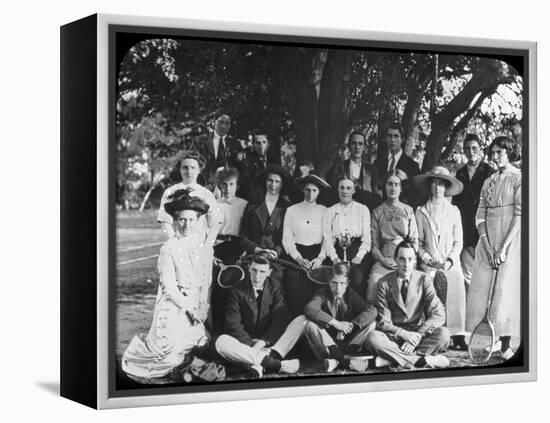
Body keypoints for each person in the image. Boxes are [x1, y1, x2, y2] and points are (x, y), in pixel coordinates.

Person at [122, 189, 214, 381]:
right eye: (182, 219)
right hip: (175, 304)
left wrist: (203, 306)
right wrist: (190, 309)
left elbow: (205, 282)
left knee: (204, 344)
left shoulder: (204, 248)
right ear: (174, 221)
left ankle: (190, 360)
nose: (186, 224)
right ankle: (178, 362)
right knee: (168, 356)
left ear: (198, 221)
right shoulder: (169, 248)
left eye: (191, 220)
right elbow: (169, 287)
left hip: (196, 304)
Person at [466, 136, 521, 360]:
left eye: (501, 152)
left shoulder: (519, 179)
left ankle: (506, 343)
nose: (496, 156)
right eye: (494, 152)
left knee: (506, 290)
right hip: (488, 242)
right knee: (482, 290)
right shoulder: (488, 181)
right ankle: (489, 341)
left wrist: (504, 247)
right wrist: (487, 246)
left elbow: (519, 215)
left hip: (511, 241)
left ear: (510, 153)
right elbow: (480, 216)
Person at [215, 254, 306, 378]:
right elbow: (233, 324)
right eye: (254, 270)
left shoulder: (275, 286)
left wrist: (262, 342)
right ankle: (275, 364)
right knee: (221, 341)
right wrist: (251, 344)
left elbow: (280, 320)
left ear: (269, 272)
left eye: (262, 272)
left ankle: (257, 363)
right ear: (248, 268)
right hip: (246, 343)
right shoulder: (237, 289)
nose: (257, 277)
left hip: (270, 344)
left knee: (302, 320)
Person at [366, 240, 451, 369]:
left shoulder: (424, 279)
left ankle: (393, 359)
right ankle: (420, 360)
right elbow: (383, 322)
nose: (406, 264)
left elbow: (438, 314)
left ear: (415, 260)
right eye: (402, 259)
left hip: (417, 335)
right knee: (373, 338)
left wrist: (418, 336)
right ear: (395, 259)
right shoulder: (384, 283)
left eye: (410, 259)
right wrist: (404, 334)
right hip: (394, 337)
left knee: (444, 334)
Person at [412, 166, 467, 350]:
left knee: (456, 282)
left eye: (442, 184)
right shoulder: (421, 211)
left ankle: (457, 335)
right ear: (430, 186)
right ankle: (431, 332)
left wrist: (449, 260)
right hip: (429, 263)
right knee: (425, 285)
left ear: (446, 187)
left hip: (449, 262)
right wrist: (427, 259)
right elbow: (417, 242)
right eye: (434, 183)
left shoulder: (454, 211)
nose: (438, 188)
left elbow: (458, 242)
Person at [304, 262, 378, 372]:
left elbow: (372, 310)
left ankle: (337, 361)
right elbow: (309, 308)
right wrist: (336, 324)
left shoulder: (351, 294)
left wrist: (351, 326)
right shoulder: (322, 293)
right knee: (309, 325)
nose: (338, 288)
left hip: (348, 343)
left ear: (347, 283)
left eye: (342, 283)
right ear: (329, 282)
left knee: (372, 323)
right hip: (328, 345)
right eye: (334, 283)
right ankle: (345, 361)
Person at [366, 169, 418, 303]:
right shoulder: (377, 212)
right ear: (384, 186)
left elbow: (414, 242)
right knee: (374, 282)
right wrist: (383, 260)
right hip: (384, 260)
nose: (393, 188)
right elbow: (374, 245)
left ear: (401, 188)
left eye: (397, 184)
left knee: (409, 286)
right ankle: (375, 320)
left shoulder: (408, 211)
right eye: (389, 184)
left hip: (406, 258)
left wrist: (404, 259)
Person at [282, 174, 330, 316]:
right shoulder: (292, 210)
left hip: (317, 258)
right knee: (294, 289)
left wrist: (320, 259)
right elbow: (287, 239)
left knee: (316, 295)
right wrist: (298, 259)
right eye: (307, 190)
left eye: (314, 190)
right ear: (303, 190)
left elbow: (328, 239)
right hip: (297, 258)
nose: (310, 194)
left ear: (319, 192)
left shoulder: (324, 211)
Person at [452, 134, 495, 287]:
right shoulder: (460, 173)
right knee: (467, 275)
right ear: (464, 150)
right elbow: (456, 204)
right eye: (468, 148)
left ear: (481, 148)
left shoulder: (490, 172)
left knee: (484, 276)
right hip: (466, 228)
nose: (471, 152)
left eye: (474, 148)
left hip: (483, 228)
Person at [211, 167, 248, 334]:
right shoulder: (212, 205)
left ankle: (235, 332)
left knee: (235, 290)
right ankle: (218, 333)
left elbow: (247, 231)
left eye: (231, 184)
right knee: (218, 292)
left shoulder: (243, 204)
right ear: (219, 185)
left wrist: (244, 251)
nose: (227, 188)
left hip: (237, 249)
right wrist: (209, 253)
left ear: (237, 185)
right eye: (224, 185)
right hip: (217, 249)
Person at [157, 150, 223, 243]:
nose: (189, 171)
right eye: (185, 167)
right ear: (180, 169)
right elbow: (166, 223)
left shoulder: (207, 194)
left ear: (199, 170)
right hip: (177, 246)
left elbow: (214, 224)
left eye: (193, 167)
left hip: (199, 246)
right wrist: (175, 244)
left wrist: (207, 245)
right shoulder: (169, 193)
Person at [322, 178, 371, 296]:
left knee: (357, 281)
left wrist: (359, 256)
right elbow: (327, 238)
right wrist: (334, 258)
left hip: (357, 251)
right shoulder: (330, 210)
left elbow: (367, 237)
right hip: (336, 251)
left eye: (348, 188)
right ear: (338, 190)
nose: (345, 191)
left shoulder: (362, 209)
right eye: (342, 188)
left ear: (354, 191)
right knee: (335, 283)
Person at [240, 164, 291, 261]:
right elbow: (243, 236)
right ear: (265, 181)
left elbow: (289, 239)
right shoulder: (253, 205)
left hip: (276, 261)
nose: (273, 185)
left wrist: (276, 252)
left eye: (277, 181)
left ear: (282, 184)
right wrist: (256, 249)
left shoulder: (287, 208)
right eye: (270, 180)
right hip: (253, 257)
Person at [327, 131, 382, 211]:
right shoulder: (340, 167)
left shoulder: (371, 169)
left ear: (364, 147)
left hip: (365, 212)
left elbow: (377, 195)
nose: (357, 147)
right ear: (349, 146)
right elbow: (332, 191)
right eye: (354, 143)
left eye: (360, 144)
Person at [192, 112, 243, 187]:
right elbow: (192, 164)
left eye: (227, 123)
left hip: (227, 188)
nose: (223, 126)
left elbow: (239, 169)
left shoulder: (236, 145)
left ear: (230, 126)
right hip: (204, 187)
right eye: (220, 122)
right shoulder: (200, 141)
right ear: (213, 123)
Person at [374, 123, 420, 205]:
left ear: (402, 139)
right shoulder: (378, 163)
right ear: (386, 138)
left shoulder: (412, 166)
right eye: (389, 136)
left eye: (396, 136)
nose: (392, 140)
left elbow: (416, 194)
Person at [238, 132, 272, 203]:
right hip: (254, 202)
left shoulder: (273, 161)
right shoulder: (246, 162)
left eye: (264, 142)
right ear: (253, 145)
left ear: (268, 144)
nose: (261, 146)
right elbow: (247, 187)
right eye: (258, 143)